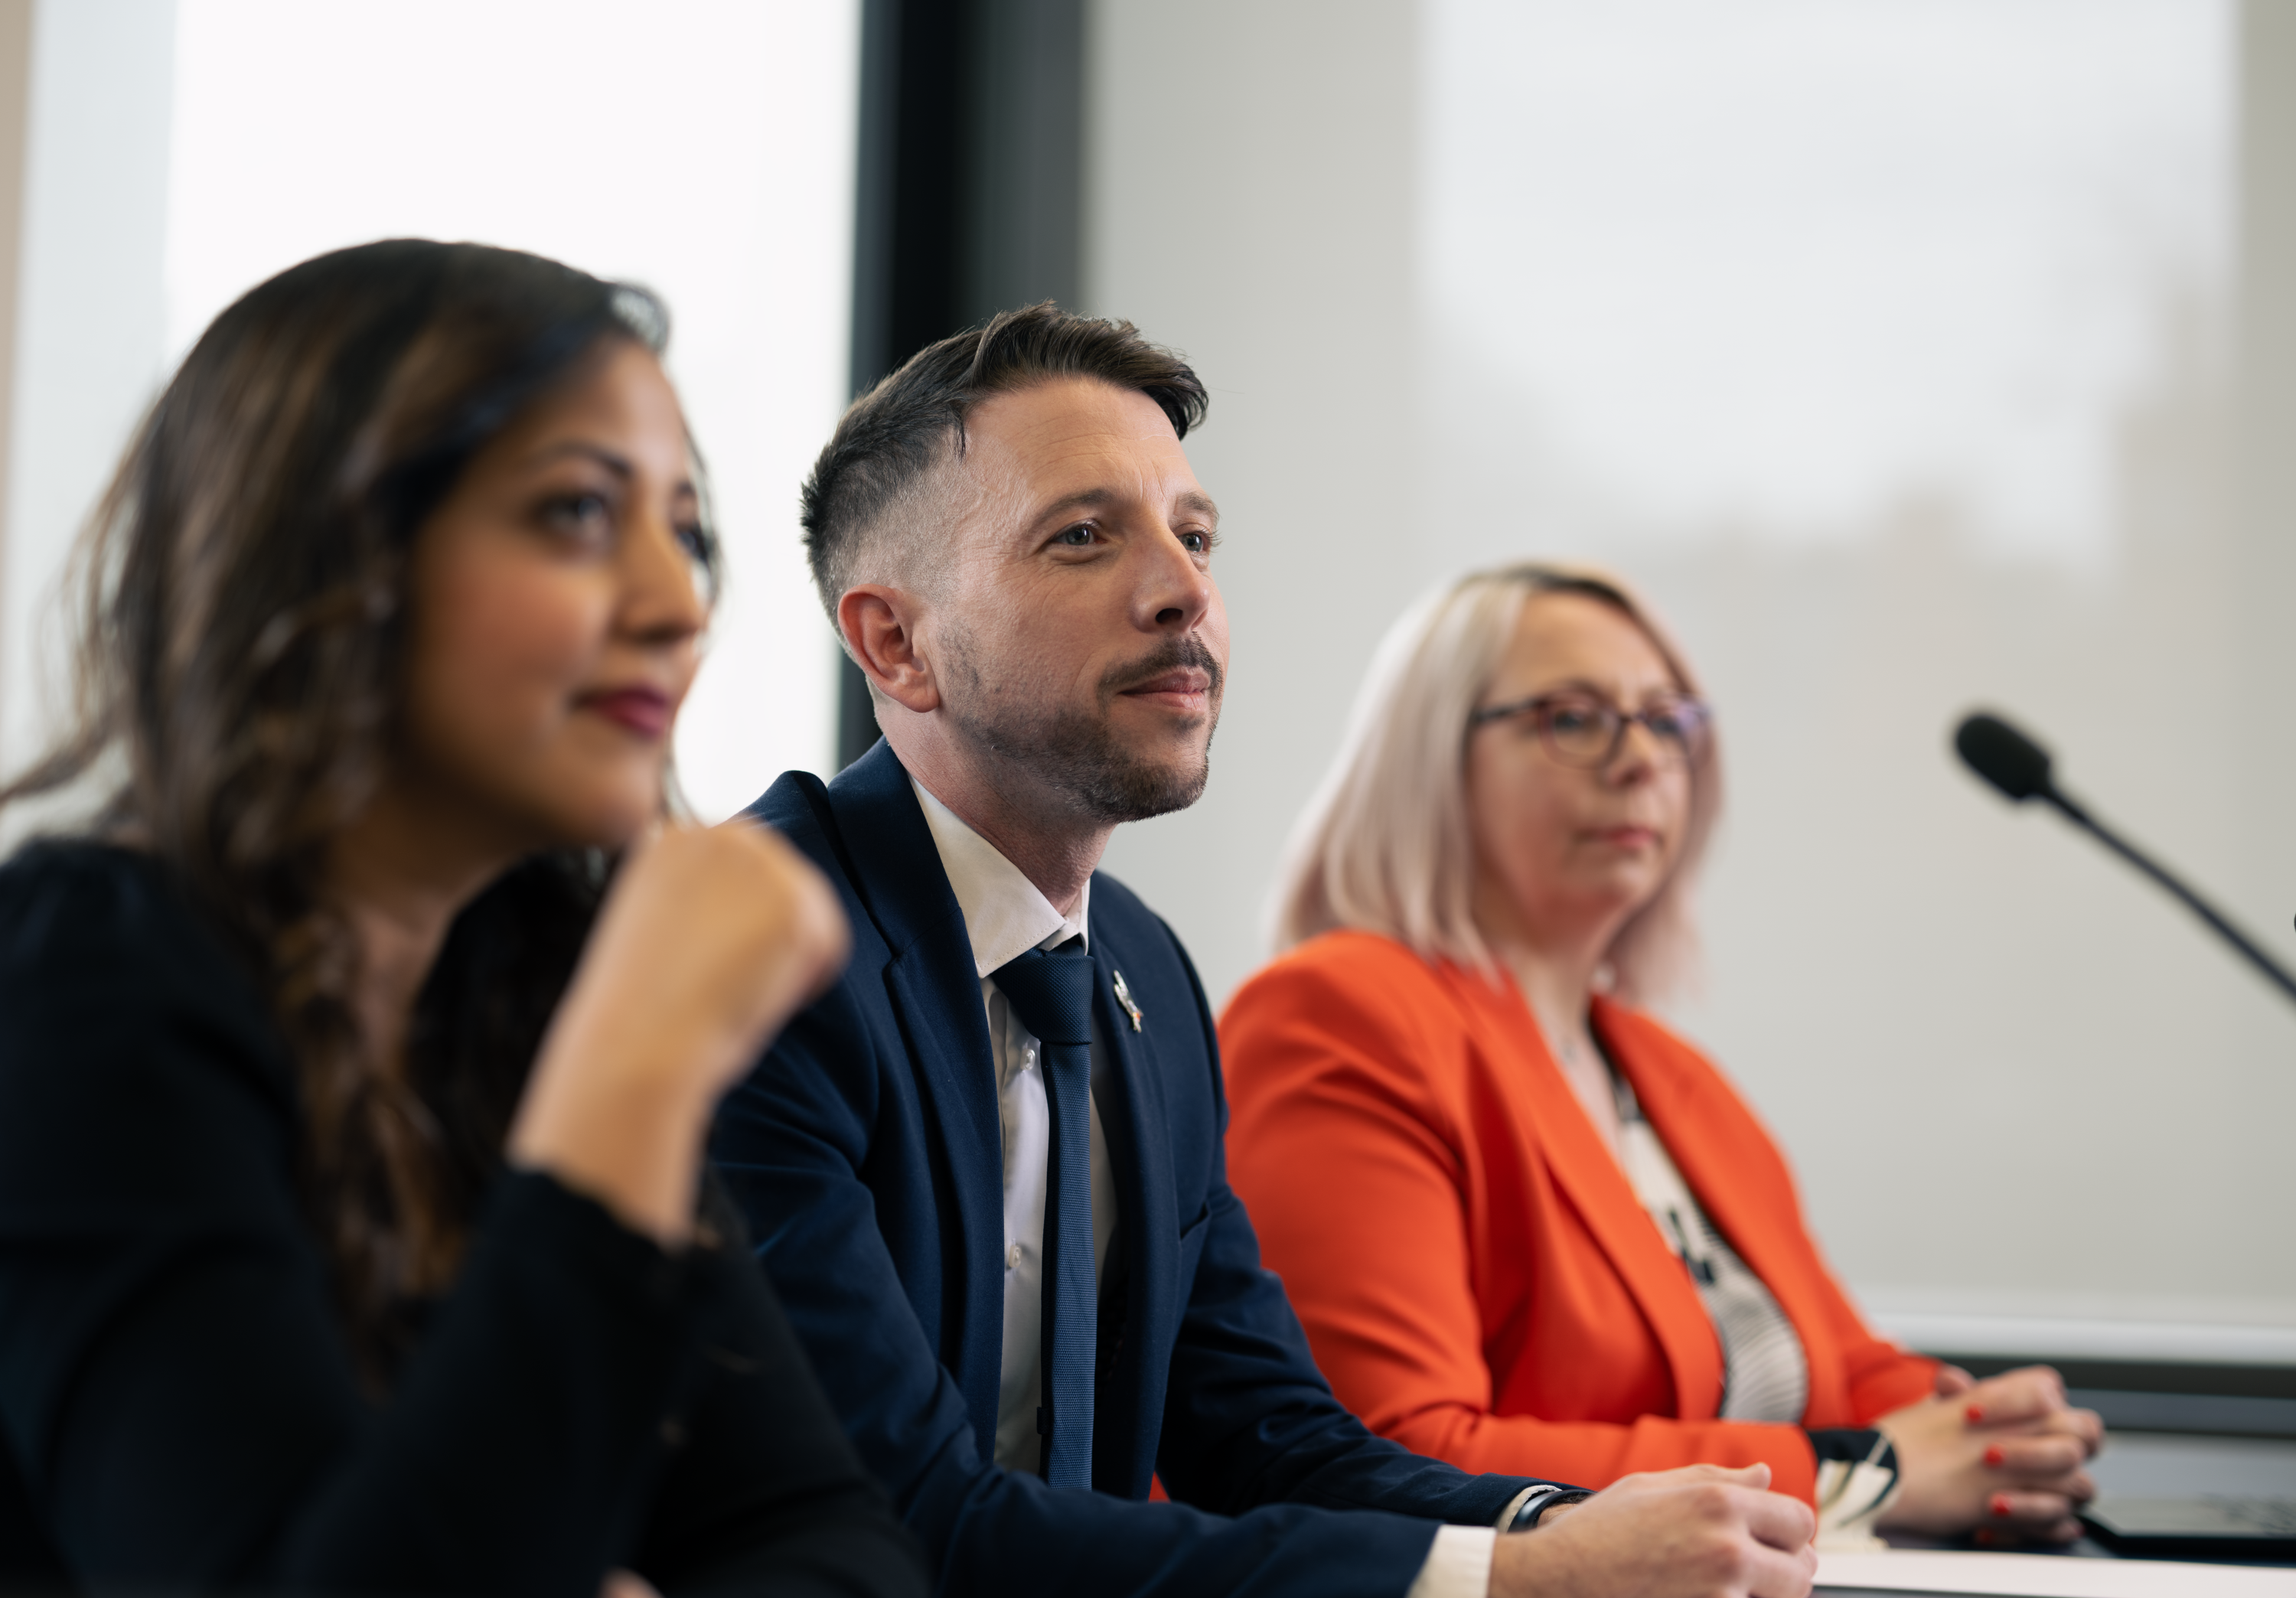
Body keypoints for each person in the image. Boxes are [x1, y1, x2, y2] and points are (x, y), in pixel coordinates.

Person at [712, 306, 1821, 1598]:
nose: (1183, 590)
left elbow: (1269, 1440)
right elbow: (904, 1524)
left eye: (1193, 536)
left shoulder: (1142, 973)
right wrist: (1529, 1581)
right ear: (896, 645)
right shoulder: (757, 958)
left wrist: (1570, 1521)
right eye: (1083, 537)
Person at [0, 240, 925, 1598]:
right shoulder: (81, 974)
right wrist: (645, 1064)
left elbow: (836, 1545)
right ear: (327, 552)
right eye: (574, 512)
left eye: (688, 531)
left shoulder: (517, 992)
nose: (681, 610)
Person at [1219, 563, 2105, 1547]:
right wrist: (1867, 1475)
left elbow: (1843, 1369)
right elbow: (1387, 1454)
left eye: (1666, 721)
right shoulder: (1341, 1014)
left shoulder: (1668, 1073)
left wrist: (1993, 1433)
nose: (1641, 759)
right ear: (1430, 759)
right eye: (1573, 717)